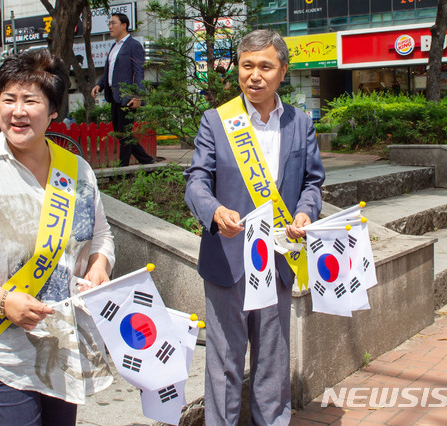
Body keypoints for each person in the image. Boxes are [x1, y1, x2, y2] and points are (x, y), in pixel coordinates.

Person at [0, 48, 115, 425]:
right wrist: (1, 300)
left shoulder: (76, 170)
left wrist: (100, 266)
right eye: (8, 99)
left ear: (52, 112)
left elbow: (100, 234)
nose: (18, 111)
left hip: (62, 344)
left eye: (30, 100)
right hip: (2, 351)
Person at [184, 29, 325, 425]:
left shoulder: (300, 123)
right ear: (238, 71)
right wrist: (213, 211)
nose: (255, 75)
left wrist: (305, 213)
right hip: (227, 261)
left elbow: (312, 182)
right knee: (224, 365)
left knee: (273, 362)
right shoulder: (216, 121)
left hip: (277, 259)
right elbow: (196, 180)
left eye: (265, 66)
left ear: (282, 71)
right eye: (247, 66)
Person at [91, 12, 155, 167]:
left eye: (113, 23)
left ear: (124, 25)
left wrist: (138, 96)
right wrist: (100, 84)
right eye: (109, 23)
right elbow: (109, 71)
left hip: (128, 97)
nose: (110, 26)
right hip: (114, 96)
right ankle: (146, 160)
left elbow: (139, 72)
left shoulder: (133, 45)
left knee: (124, 133)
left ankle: (123, 168)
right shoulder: (114, 46)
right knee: (121, 133)